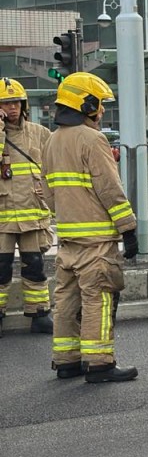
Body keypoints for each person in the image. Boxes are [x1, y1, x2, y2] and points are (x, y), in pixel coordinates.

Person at [42, 72, 139, 383]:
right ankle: (100, 363)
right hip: (96, 239)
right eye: (100, 105)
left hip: (68, 238)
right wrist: (128, 228)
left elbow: (47, 191)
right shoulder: (93, 139)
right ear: (86, 104)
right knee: (99, 296)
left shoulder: (52, 139)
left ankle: (66, 359)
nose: (102, 111)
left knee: (66, 300)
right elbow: (110, 188)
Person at [0, 78, 53, 337]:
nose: (12, 108)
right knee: (1, 269)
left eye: (16, 103)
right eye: (6, 103)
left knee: (35, 266)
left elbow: (55, 161)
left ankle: (39, 313)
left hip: (33, 213)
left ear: (24, 104)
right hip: (2, 217)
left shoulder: (39, 132)